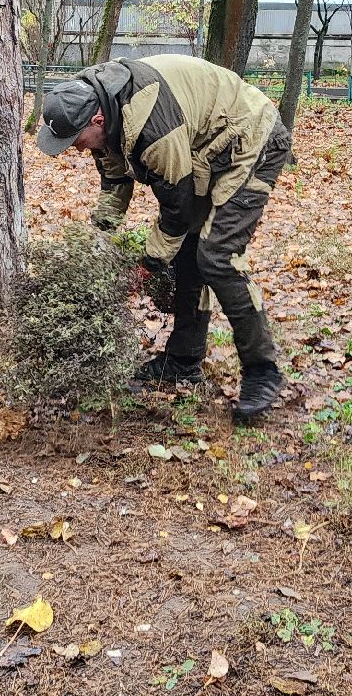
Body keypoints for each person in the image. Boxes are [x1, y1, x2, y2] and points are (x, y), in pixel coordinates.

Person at [35, 55, 292, 422]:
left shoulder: (150, 127)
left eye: (75, 140)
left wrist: (148, 266)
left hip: (250, 138)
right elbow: (114, 186)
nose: (75, 148)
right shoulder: (98, 104)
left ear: (97, 120)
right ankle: (184, 361)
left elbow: (178, 210)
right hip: (205, 146)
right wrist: (96, 245)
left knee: (217, 256)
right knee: (190, 254)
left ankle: (262, 371)